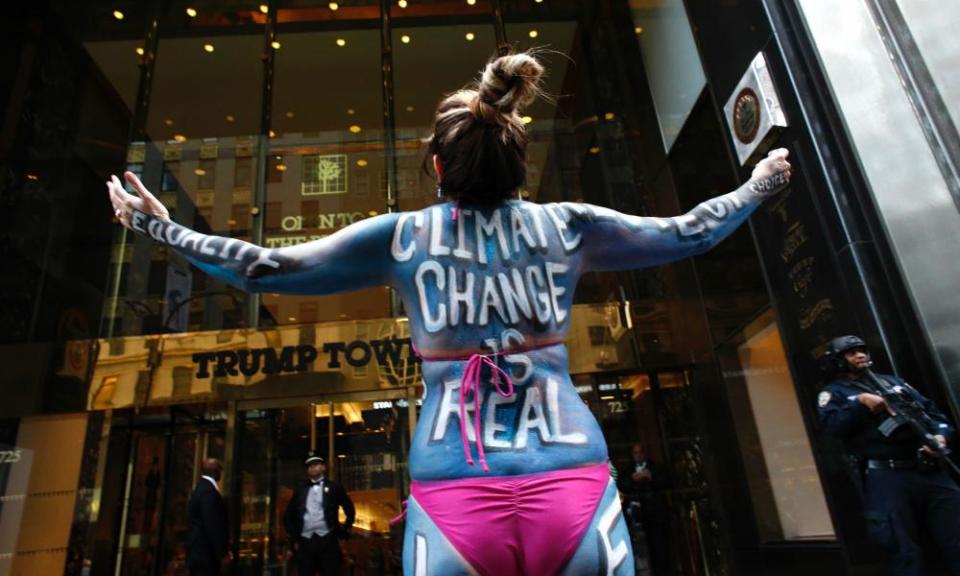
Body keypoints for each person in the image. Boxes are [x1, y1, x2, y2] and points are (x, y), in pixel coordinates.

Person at [106, 50, 791, 575]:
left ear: (436, 167)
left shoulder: (404, 239)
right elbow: (690, 231)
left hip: (455, 495)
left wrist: (161, 228)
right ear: (520, 159)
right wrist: (759, 185)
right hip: (574, 488)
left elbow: (263, 266)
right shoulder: (569, 228)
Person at [818, 334, 960, 575]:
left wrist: (939, 437)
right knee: (903, 549)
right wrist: (859, 404)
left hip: (928, 468)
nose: (860, 355)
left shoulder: (893, 383)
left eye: (862, 350)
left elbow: (934, 415)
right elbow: (833, 429)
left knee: (956, 536)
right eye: (852, 353)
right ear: (838, 360)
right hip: (888, 476)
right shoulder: (835, 393)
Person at [283, 452, 356, 575]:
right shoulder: (300, 489)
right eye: (309, 465)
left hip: (328, 541)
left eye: (316, 464)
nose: (312, 467)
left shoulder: (335, 487)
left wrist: (343, 533)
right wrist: (295, 537)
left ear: (323, 467)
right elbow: (288, 516)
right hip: (305, 542)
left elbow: (350, 510)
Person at [619, 444, 671, 575]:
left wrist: (651, 476)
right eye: (636, 453)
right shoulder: (628, 470)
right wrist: (632, 479)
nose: (639, 455)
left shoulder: (655, 467)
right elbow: (621, 485)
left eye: (641, 452)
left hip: (656, 516)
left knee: (659, 549)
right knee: (640, 551)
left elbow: (667, 482)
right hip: (637, 518)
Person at [185, 458, 230, 576]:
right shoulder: (209, 492)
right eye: (220, 470)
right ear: (216, 472)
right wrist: (222, 555)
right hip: (205, 557)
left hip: (199, 554)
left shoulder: (200, 488)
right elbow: (213, 525)